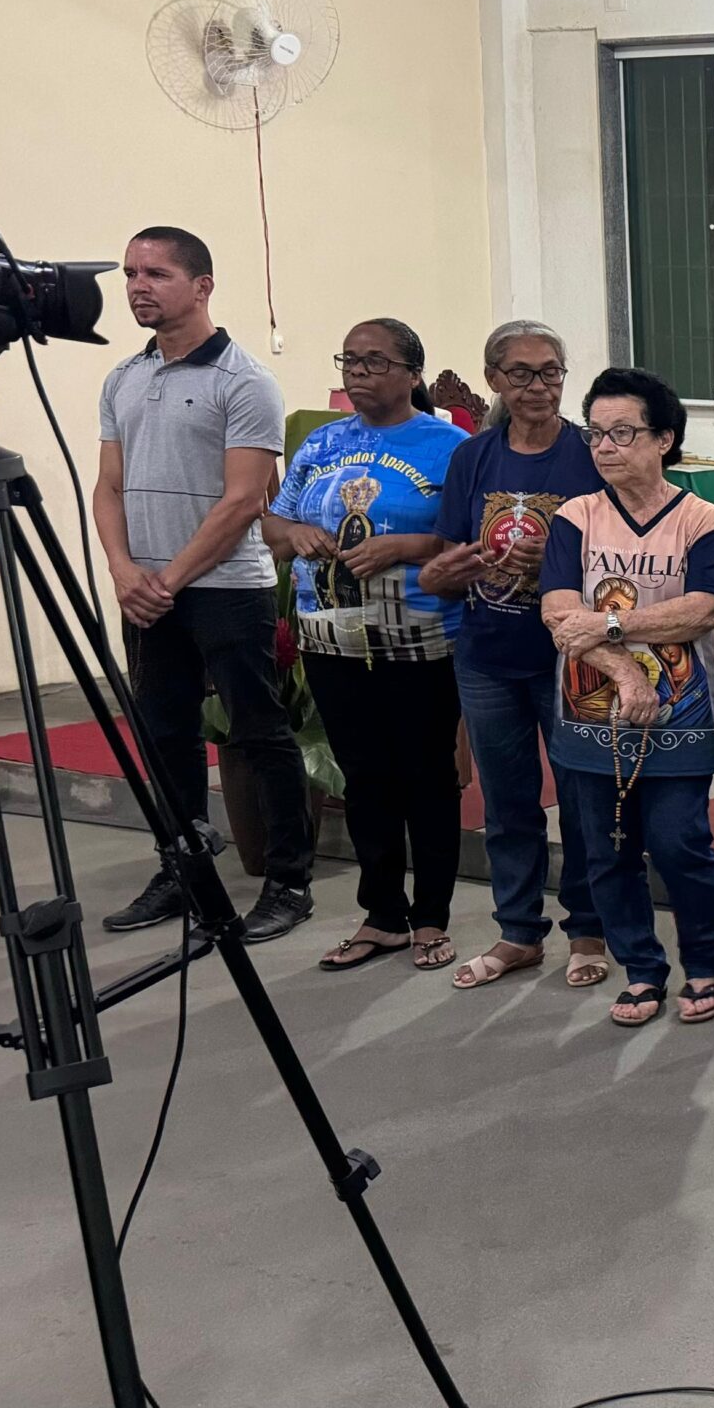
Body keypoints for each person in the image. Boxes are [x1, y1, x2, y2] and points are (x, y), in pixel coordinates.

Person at [92, 226, 315, 942]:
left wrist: (169, 579)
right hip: (146, 589)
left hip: (225, 590)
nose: (138, 286)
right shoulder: (123, 377)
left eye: (155, 273)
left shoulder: (244, 380)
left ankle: (288, 882)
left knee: (259, 733)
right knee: (166, 736)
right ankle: (182, 869)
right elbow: (108, 486)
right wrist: (124, 570)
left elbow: (244, 500)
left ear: (202, 285)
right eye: (131, 273)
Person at [263, 319, 468, 972]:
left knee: (427, 777)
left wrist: (406, 546)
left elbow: (472, 538)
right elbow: (273, 523)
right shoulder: (322, 442)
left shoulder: (451, 447)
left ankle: (431, 917)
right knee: (365, 778)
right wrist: (295, 535)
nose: (357, 371)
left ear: (412, 373)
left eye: (375, 361)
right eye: (349, 359)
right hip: (332, 641)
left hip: (421, 641)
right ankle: (382, 915)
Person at [418, 320, 613, 991]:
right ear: (495, 379)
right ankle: (519, 931)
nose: (538, 386)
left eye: (551, 371)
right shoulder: (473, 458)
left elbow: (624, 561)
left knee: (585, 798)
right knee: (507, 805)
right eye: (522, 373)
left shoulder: (590, 454)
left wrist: (558, 564)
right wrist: (450, 571)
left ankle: (588, 929)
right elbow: (447, 557)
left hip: (572, 657)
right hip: (487, 655)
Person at [539, 368, 714, 1028]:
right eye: (595, 433)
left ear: (664, 439)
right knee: (606, 850)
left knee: (681, 844)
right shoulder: (576, 517)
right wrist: (626, 675)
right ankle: (642, 969)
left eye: (622, 432)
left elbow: (706, 608)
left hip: (683, 715)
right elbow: (560, 616)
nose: (605, 446)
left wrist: (611, 623)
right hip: (590, 715)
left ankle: (703, 963)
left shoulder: (700, 518)